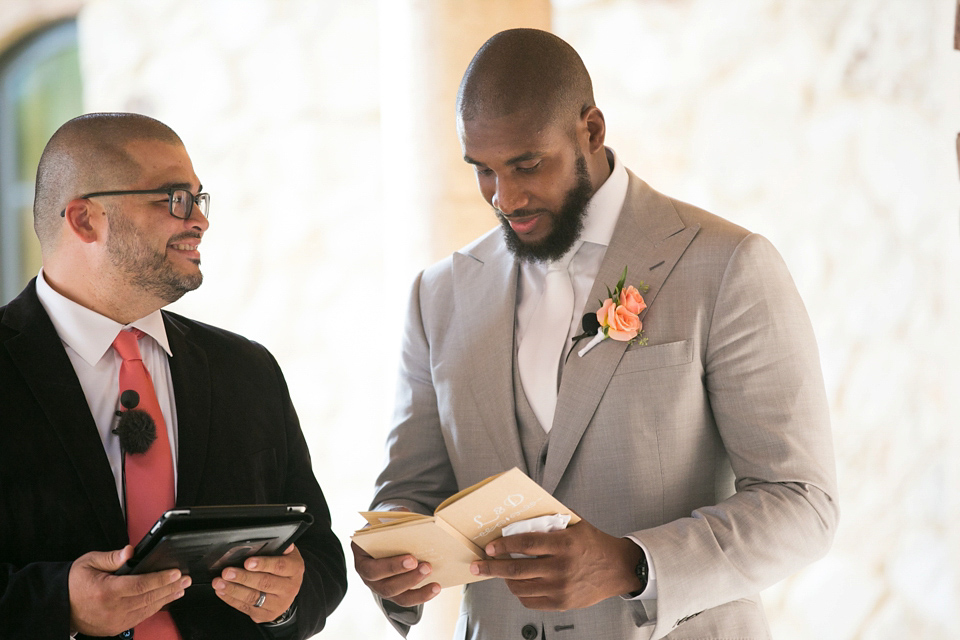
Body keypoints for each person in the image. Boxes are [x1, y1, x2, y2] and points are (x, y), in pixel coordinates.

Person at [353, 28, 838, 640]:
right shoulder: (439, 296)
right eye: (483, 171)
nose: (505, 198)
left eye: (527, 164)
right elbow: (409, 490)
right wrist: (391, 556)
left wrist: (635, 563)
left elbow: (802, 502)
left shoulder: (727, 264)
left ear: (591, 130)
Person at [0, 113, 347, 639]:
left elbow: (320, 558)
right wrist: (58, 606)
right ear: (85, 220)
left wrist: (285, 600)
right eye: (173, 199)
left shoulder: (247, 370)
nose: (199, 220)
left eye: (198, 200)